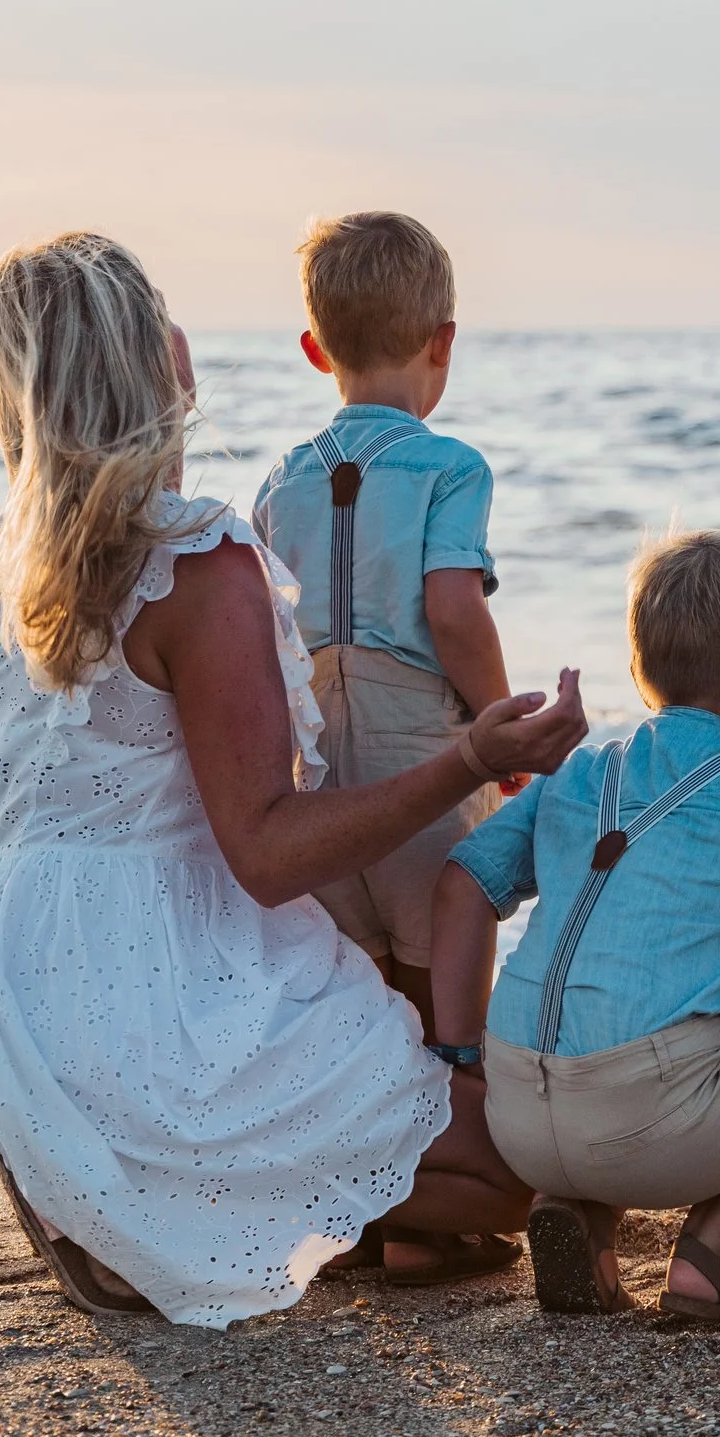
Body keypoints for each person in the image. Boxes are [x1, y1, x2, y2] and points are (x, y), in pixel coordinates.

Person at [0, 232, 586, 1326]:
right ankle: (171, 1182)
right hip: (156, 989)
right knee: (520, 1159)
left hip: (2, 981)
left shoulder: (11, 560)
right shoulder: (198, 560)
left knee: (391, 1113)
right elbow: (269, 852)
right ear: (151, 361)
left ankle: (113, 1189)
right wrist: (470, 758)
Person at [430, 531, 720, 1322]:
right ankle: (714, 1252)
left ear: (644, 676)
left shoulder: (578, 772)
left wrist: (464, 1054)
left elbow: (463, 884)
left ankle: (577, 1213)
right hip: (657, 1117)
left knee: (640, 1026)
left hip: (516, 1104)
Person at [252, 211, 516, 1030]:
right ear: (443, 341)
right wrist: (499, 725)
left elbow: (265, 639)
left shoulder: (281, 482)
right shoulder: (450, 468)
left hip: (321, 786)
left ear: (316, 351)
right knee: (447, 1023)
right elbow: (453, 609)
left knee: (367, 1026)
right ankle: (456, 1146)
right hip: (421, 774)